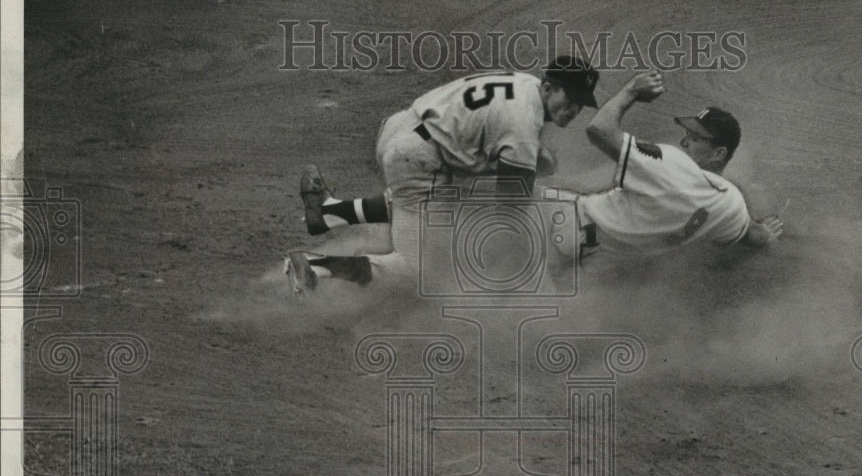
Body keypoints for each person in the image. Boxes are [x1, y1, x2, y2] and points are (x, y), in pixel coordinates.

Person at [284, 55, 599, 293]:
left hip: (402, 131)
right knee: (421, 270)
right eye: (569, 99)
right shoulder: (522, 127)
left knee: (454, 196)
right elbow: (510, 207)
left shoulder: (525, 85)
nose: (573, 110)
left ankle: (328, 213)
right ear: (548, 88)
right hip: (418, 160)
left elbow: (496, 137)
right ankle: (315, 265)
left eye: (580, 105)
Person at [565, 70, 784, 262]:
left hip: (559, 223)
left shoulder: (670, 164)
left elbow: (598, 129)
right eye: (687, 134)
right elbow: (752, 235)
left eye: (696, 138)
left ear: (719, 153)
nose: (684, 143)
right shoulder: (731, 205)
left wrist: (631, 89)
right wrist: (765, 234)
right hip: (591, 260)